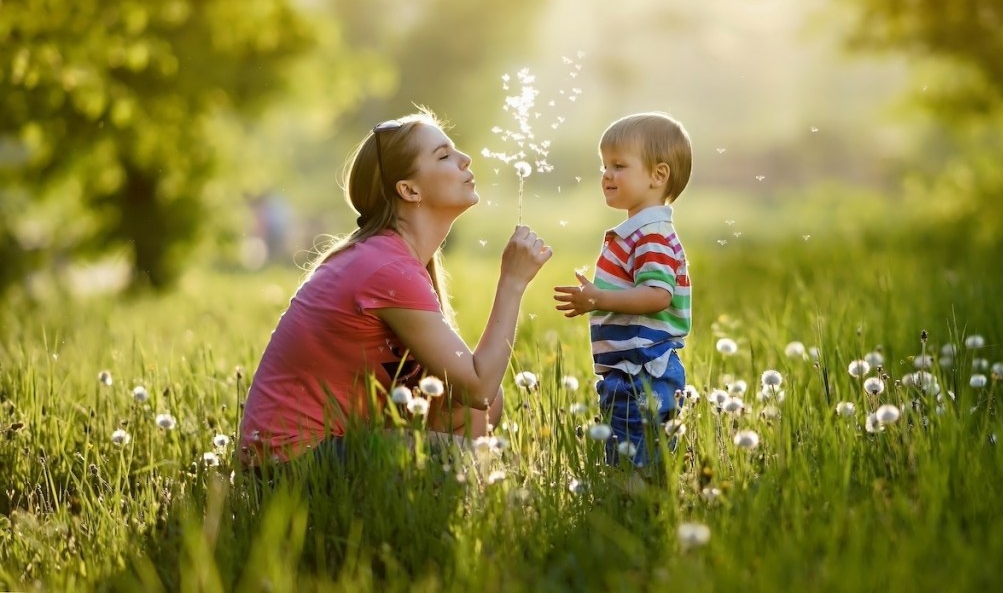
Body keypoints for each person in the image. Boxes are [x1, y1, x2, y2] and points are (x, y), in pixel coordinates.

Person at [239, 108, 552, 466]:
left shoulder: (391, 257)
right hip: (289, 465)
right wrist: (512, 282)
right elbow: (479, 386)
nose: (465, 160)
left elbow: (470, 393)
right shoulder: (387, 268)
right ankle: (441, 503)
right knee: (464, 449)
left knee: (462, 409)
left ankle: (428, 508)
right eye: (444, 156)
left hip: (323, 449)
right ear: (409, 189)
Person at [553, 111, 692, 467]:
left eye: (618, 165)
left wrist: (599, 299)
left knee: (634, 459)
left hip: (642, 372)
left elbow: (658, 295)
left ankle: (636, 511)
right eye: (604, 166)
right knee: (637, 453)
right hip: (632, 370)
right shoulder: (640, 232)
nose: (606, 175)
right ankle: (642, 507)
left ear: (658, 175)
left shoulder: (651, 236)